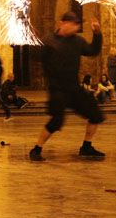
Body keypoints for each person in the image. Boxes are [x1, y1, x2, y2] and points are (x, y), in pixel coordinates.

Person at [29, 12, 104, 161]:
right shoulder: (48, 41)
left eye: (77, 25)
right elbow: (34, 55)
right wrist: (24, 43)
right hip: (57, 89)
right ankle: (36, 149)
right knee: (56, 121)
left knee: (95, 115)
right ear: (62, 23)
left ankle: (86, 147)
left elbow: (93, 51)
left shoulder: (77, 41)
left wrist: (97, 33)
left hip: (74, 88)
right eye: (73, 24)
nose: (76, 27)